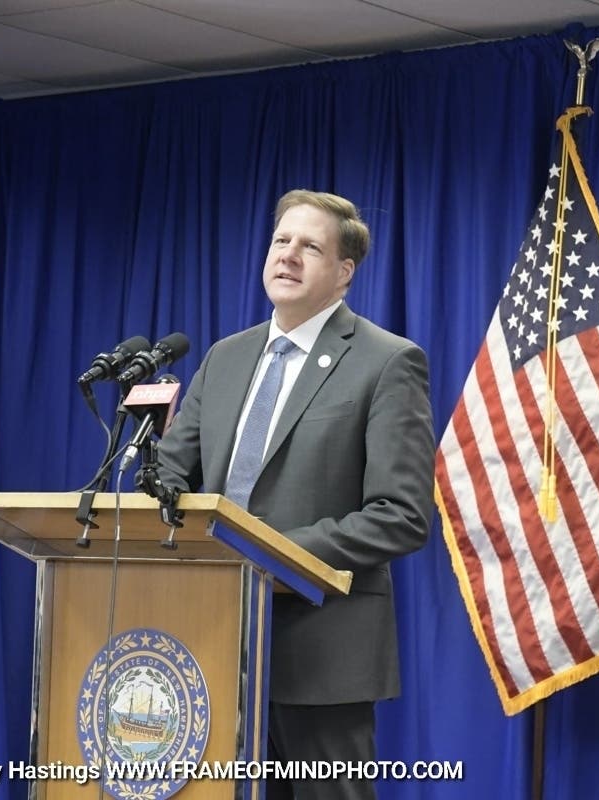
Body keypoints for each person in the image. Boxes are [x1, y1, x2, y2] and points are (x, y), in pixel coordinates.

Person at [155, 189, 435, 799]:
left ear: (343, 273)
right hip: (212, 645)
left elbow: (403, 515)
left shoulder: (388, 362)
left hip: (323, 656)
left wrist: (266, 549)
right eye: (282, 241)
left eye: (310, 246)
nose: (289, 255)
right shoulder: (224, 359)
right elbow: (170, 481)